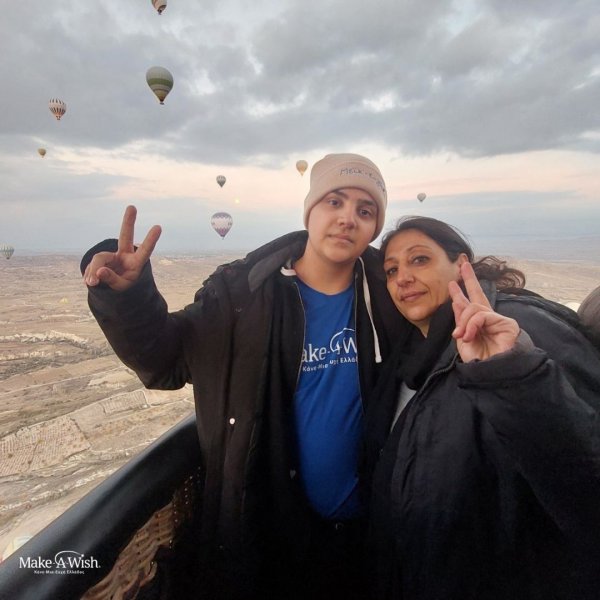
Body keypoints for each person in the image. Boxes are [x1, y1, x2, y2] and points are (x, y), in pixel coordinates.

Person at [81, 154, 403, 600]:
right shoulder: (242, 295)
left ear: (374, 227)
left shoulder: (391, 295)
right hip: (271, 537)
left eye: (365, 211)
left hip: (368, 535)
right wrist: (129, 298)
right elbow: (165, 362)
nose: (348, 218)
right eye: (335, 201)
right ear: (310, 210)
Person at [364, 216, 600, 600]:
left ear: (461, 265)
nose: (402, 277)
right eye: (391, 270)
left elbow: (585, 471)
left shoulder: (520, 329)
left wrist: (513, 375)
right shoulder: (408, 358)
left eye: (419, 259)